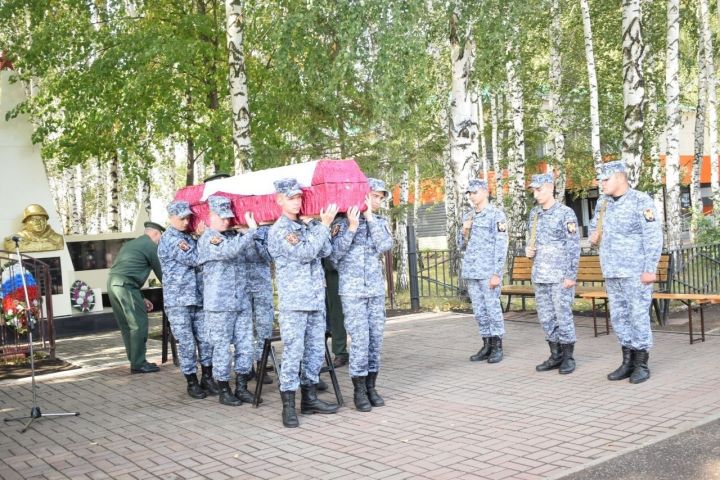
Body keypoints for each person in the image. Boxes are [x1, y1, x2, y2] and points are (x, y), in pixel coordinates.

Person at [267, 178, 339, 428]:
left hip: (315, 299)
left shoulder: (306, 226)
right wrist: (324, 226)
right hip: (295, 302)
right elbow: (306, 253)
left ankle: (309, 399)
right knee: (293, 353)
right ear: (279, 200)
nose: (297, 202)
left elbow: (325, 250)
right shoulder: (280, 230)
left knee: (315, 352)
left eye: (299, 197)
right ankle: (288, 405)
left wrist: (316, 226)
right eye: (291, 198)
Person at [589, 161, 663, 384]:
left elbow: (653, 237)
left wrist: (650, 269)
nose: (601, 183)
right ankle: (627, 361)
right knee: (619, 317)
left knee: (637, 316)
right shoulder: (603, 202)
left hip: (635, 272)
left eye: (606, 179)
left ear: (620, 178)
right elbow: (594, 227)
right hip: (612, 271)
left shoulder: (641, 201)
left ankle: (641, 364)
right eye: (601, 180)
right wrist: (594, 237)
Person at [329, 179, 393, 412]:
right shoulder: (342, 222)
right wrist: (353, 227)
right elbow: (334, 255)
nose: (378, 201)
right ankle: (358, 390)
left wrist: (370, 219)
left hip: (374, 290)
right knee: (360, 341)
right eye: (375, 196)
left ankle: (371, 386)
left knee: (375, 340)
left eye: (381, 198)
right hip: (353, 291)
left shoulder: (379, 221)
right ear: (363, 195)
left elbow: (385, 245)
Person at [197, 195, 259, 406]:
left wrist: (248, 233)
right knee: (222, 348)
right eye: (222, 217)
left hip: (240, 301)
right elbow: (229, 251)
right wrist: (251, 232)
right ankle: (224, 389)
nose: (226, 221)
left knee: (245, 346)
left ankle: (242, 387)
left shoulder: (235, 236)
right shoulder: (209, 238)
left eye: (228, 217)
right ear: (211, 216)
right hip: (219, 305)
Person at [158, 200, 219, 399]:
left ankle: (207, 377)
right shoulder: (172, 239)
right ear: (171, 218)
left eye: (188, 218)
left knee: (206, 339)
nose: (186, 222)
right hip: (179, 301)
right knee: (186, 342)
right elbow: (195, 258)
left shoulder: (188, 237)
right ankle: (192, 381)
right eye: (181, 218)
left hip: (198, 298)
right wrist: (202, 238)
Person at [525, 174, 581, 374]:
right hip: (540, 274)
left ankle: (568, 357)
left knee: (562, 316)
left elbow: (573, 246)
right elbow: (531, 239)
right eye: (534, 190)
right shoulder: (534, 214)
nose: (536, 193)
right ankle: (555, 355)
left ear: (550, 188)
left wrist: (571, 275)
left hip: (559, 276)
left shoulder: (565, 213)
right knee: (546, 317)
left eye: (539, 189)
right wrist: (528, 250)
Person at [457, 179, 509, 363]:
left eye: (475, 192)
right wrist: (464, 231)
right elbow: (460, 245)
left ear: (486, 192)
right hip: (472, 271)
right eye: (469, 193)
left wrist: (497, 273)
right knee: (479, 311)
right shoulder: (468, 216)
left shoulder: (496, 215)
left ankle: (497, 346)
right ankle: (486, 344)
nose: (472, 196)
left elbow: (501, 245)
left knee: (492, 309)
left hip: (488, 272)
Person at [107, 222, 164, 374]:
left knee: (127, 325)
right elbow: (162, 273)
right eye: (161, 236)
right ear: (156, 233)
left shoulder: (131, 244)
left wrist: (141, 297)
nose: (160, 240)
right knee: (138, 324)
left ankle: (135, 360)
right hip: (126, 286)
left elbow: (127, 271)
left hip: (114, 284)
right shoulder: (150, 246)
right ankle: (139, 363)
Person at [241, 223, 274, 385]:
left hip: (262, 285)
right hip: (241, 286)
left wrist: (252, 234)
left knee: (264, 327)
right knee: (243, 329)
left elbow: (269, 255)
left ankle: (262, 365)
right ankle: (246, 366)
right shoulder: (231, 230)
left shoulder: (265, 230)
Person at [323, 257, 349, 368]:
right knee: (318, 314)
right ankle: (315, 351)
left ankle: (340, 352)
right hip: (311, 270)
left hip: (335, 267)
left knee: (337, 313)